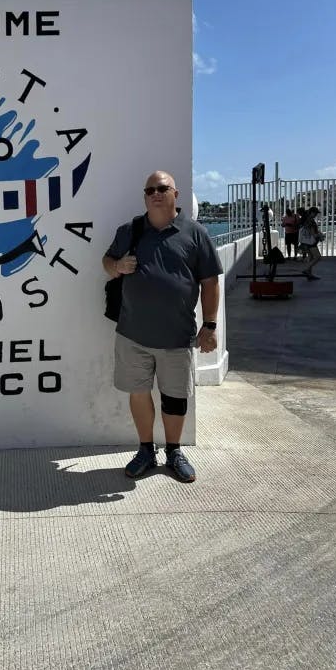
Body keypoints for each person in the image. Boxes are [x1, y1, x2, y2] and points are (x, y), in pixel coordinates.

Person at [102, 170, 223, 483]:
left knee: (174, 398)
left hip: (177, 336)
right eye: (150, 189)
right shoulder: (129, 230)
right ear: (145, 196)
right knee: (139, 393)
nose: (155, 193)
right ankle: (145, 450)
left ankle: (174, 451)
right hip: (132, 335)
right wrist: (117, 266)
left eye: (162, 188)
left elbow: (210, 282)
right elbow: (106, 261)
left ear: (175, 194)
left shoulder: (195, 234)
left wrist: (209, 325)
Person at [299, 206, 323, 280]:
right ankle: (306, 269)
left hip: (306, 242)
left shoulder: (306, 219)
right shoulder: (310, 221)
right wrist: (320, 236)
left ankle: (309, 275)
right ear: (312, 212)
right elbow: (313, 233)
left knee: (311, 257)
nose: (316, 215)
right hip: (311, 243)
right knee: (318, 257)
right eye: (315, 213)